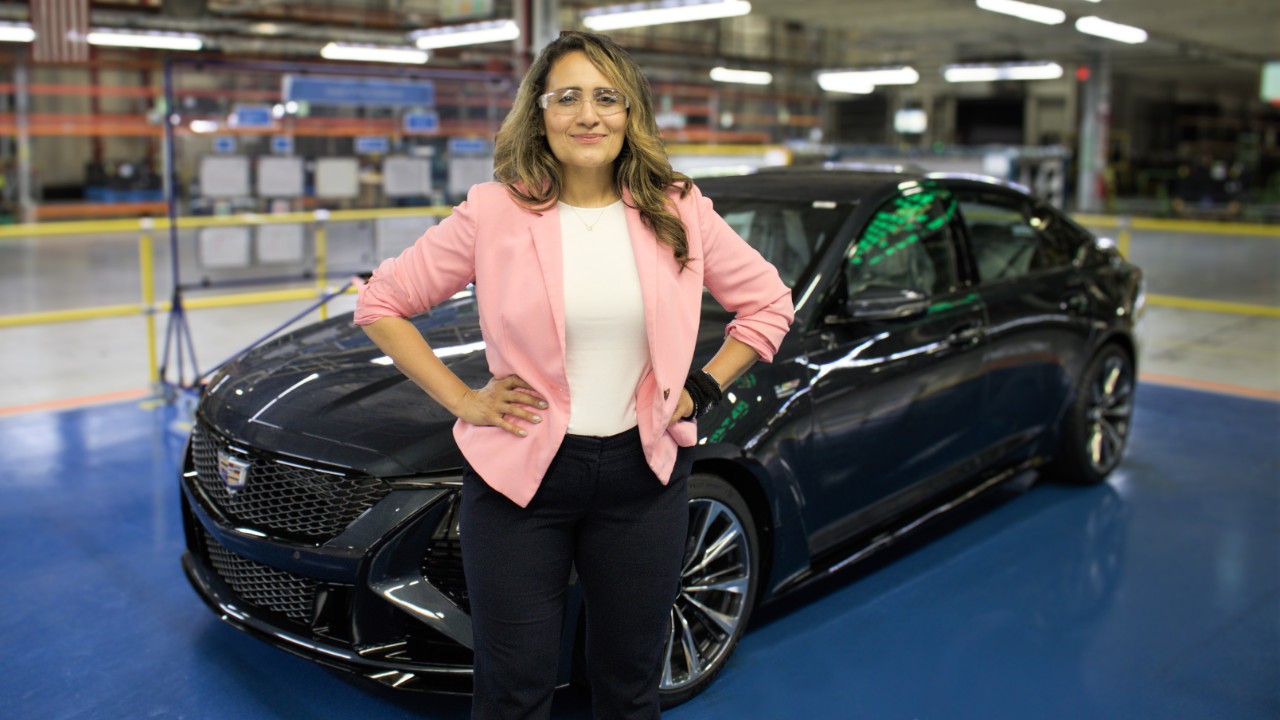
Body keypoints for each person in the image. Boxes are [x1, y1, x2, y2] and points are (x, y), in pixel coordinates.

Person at [353, 31, 793, 720]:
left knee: (628, 686)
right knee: (515, 689)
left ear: (630, 113)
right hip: (520, 483)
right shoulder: (494, 211)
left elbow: (768, 303)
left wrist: (701, 389)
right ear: (540, 113)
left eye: (606, 97)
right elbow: (381, 304)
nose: (588, 114)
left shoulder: (678, 208)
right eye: (567, 97)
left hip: (642, 479)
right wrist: (466, 400)